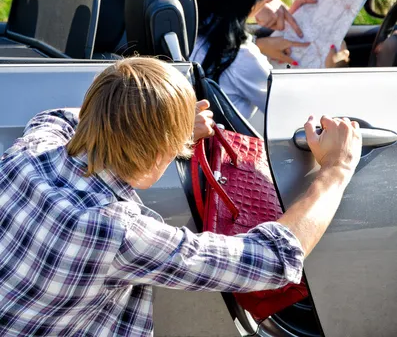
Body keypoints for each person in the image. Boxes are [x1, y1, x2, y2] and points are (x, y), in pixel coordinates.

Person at [0, 56, 361, 337]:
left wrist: (158, 123)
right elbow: (271, 260)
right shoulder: (117, 231)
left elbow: (58, 119)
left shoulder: (29, 152)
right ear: (162, 152)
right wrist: (335, 170)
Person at [191, 0, 348, 120]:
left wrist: (260, 42)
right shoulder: (241, 59)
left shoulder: (187, 26)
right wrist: (334, 72)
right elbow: (301, 115)